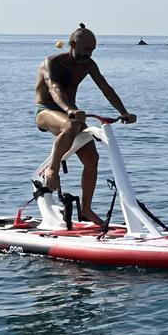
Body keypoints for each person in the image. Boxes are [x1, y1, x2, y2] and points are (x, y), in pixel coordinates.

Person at [34, 24, 137, 225]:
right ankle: (52, 170)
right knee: (71, 125)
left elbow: (106, 88)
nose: (89, 54)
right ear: (73, 44)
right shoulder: (52, 63)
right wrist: (70, 110)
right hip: (46, 112)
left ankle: (86, 210)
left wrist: (123, 112)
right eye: (86, 49)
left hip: (72, 115)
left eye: (92, 50)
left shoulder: (88, 64)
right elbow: (55, 89)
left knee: (92, 158)